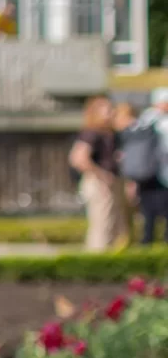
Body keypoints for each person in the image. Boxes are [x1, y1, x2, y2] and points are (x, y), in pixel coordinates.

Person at [71, 95, 128, 252]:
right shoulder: (91, 132)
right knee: (102, 225)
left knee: (115, 225)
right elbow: (78, 158)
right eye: (107, 109)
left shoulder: (110, 133)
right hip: (99, 182)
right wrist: (101, 174)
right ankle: (98, 260)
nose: (112, 112)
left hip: (111, 181)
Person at [129, 89, 168, 247]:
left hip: (148, 173)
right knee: (153, 211)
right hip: (154, 173)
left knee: (149, 211)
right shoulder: (153, 120)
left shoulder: (144, 119)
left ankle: (148, 241)